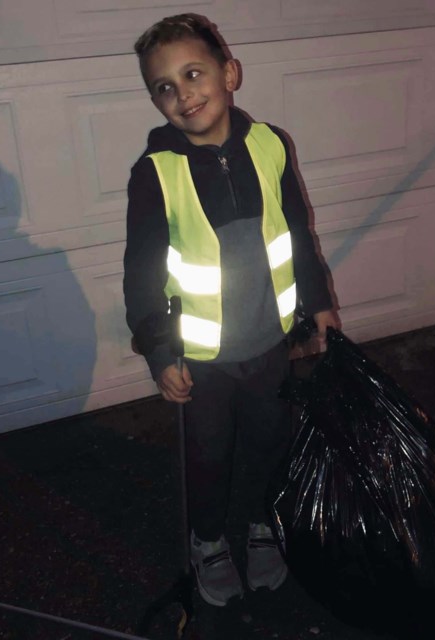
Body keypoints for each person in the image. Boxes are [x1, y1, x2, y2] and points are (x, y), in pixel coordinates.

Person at [122, 13, 340, 607]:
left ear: (230, 72)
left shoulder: (269, 144)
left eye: (193, 73)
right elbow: (142, 272)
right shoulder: (156, 173)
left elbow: (296, 229)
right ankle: (209, 539)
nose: (182, 93)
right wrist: (160, 351)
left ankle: (264, 525)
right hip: (205, 359)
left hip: (271, 343)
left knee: (272, 441)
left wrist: (316, 301)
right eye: (164, 86)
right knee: (209, 453)